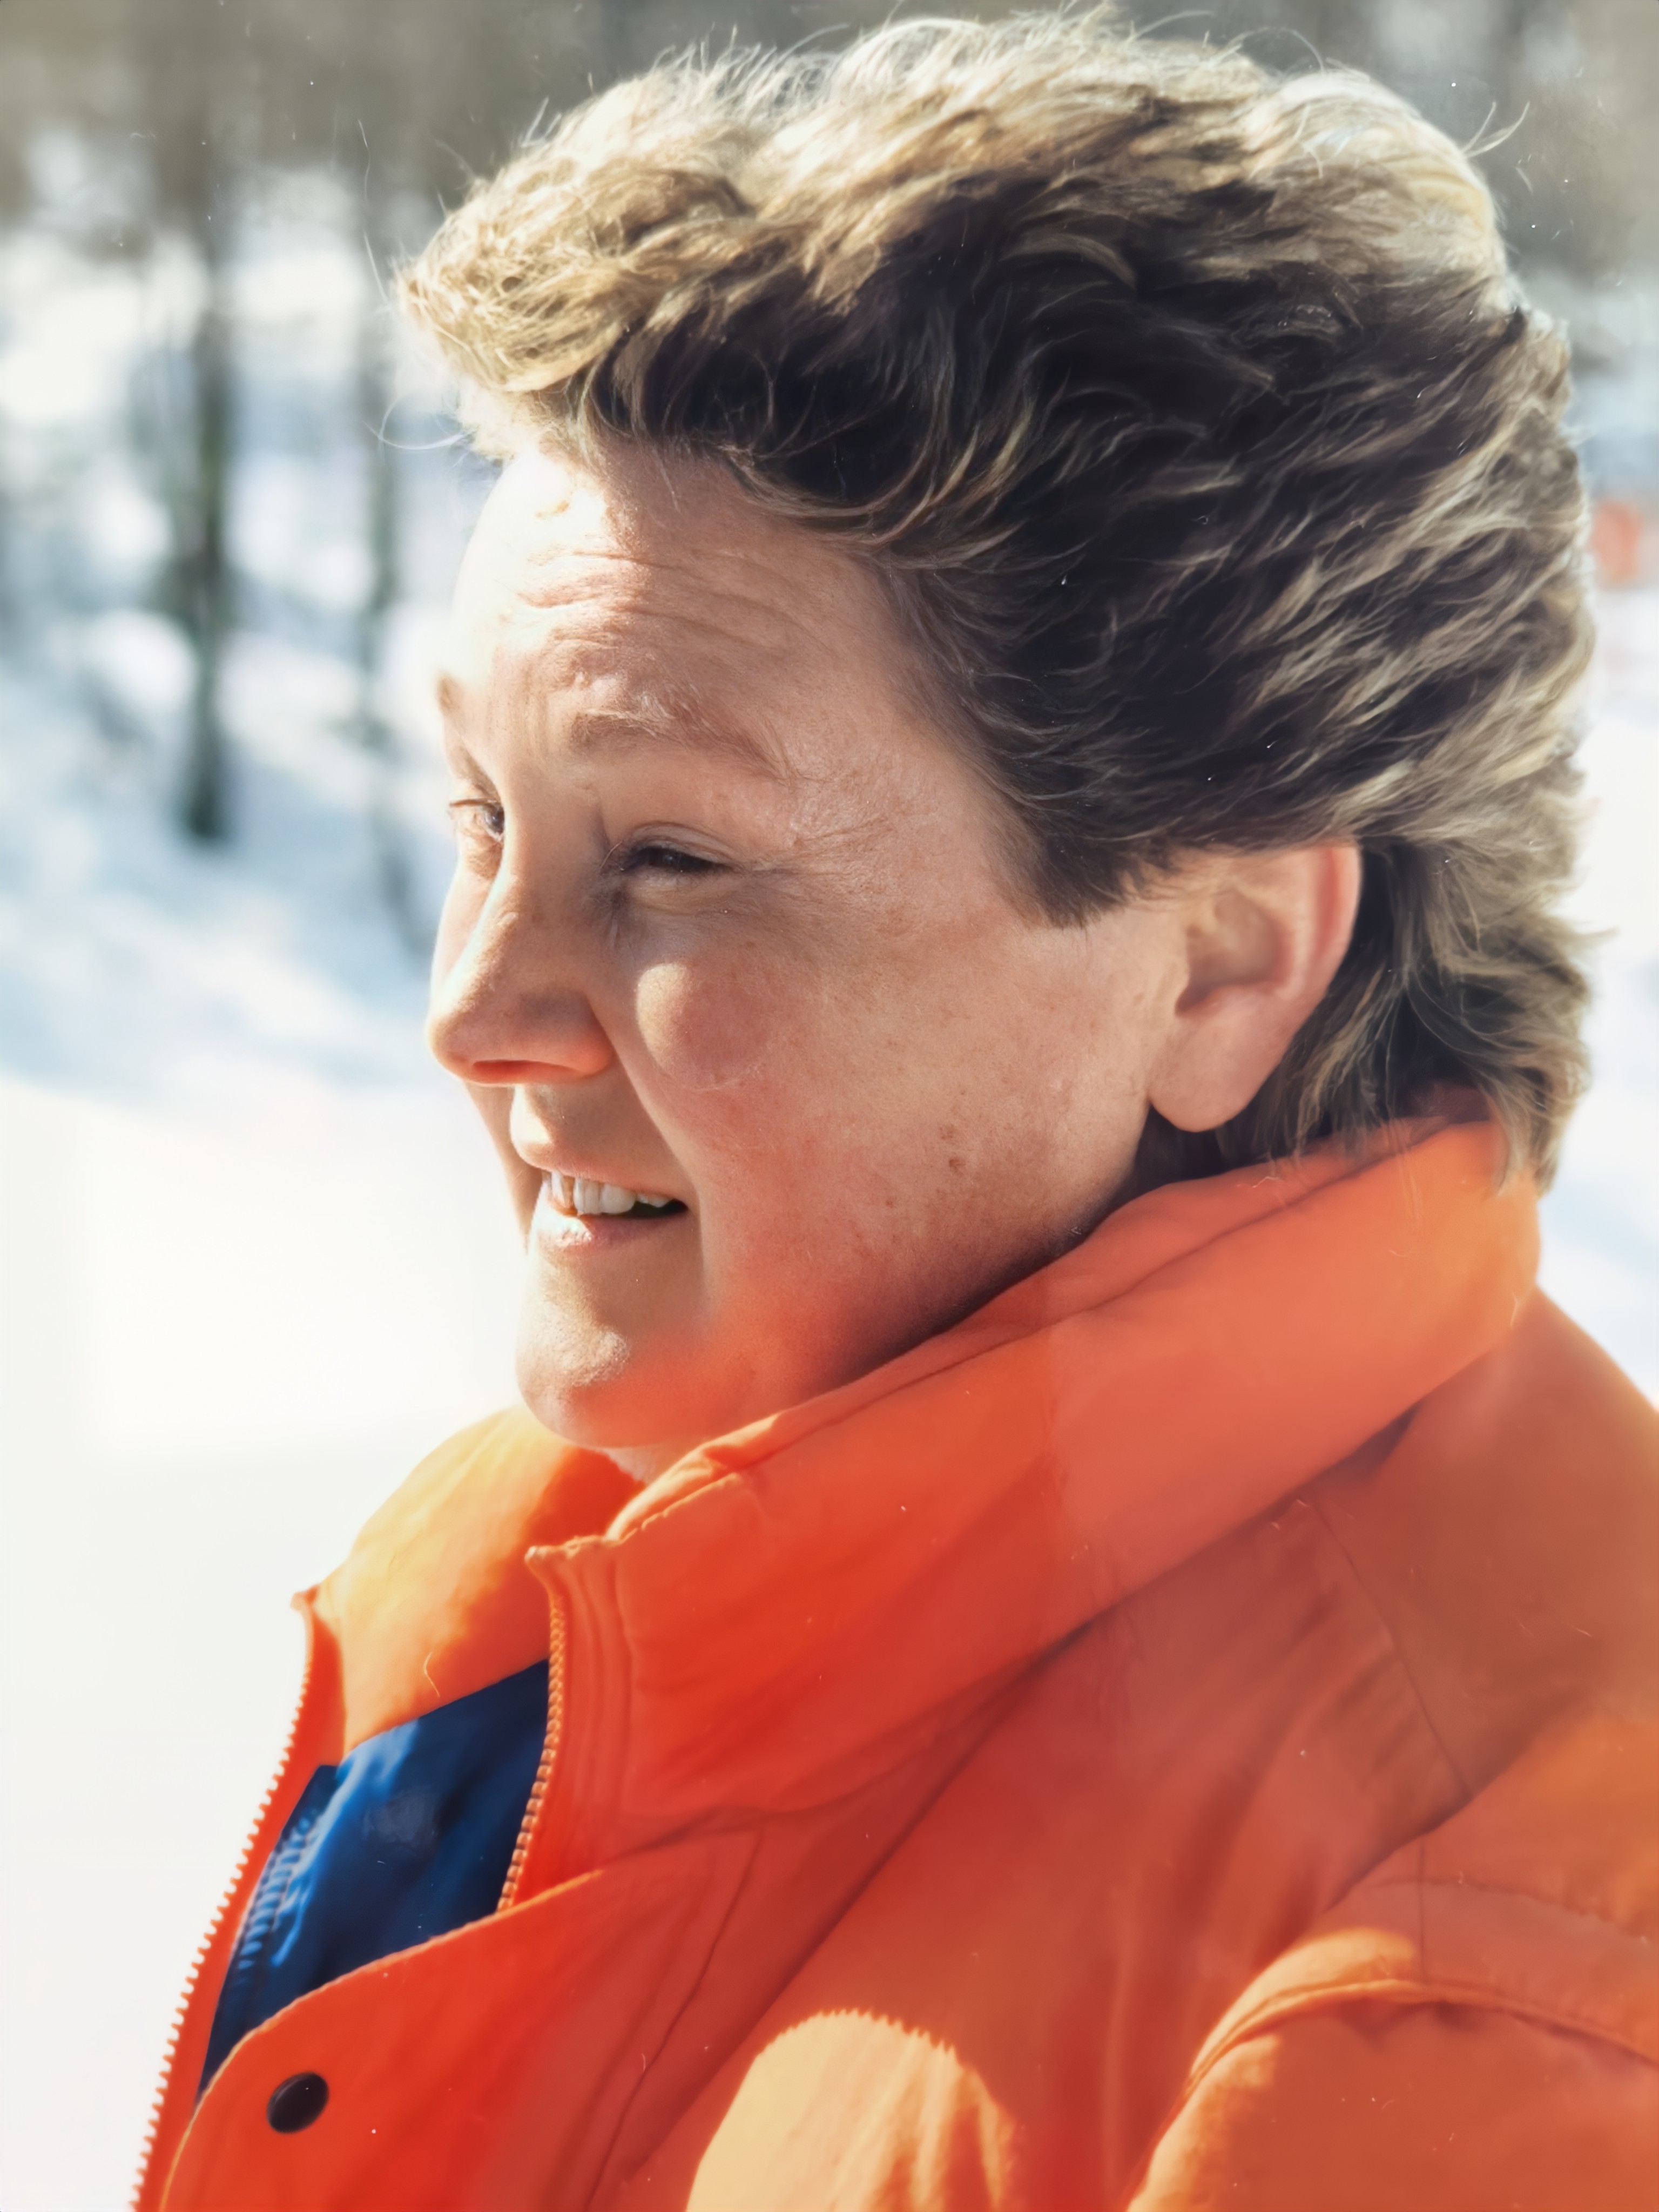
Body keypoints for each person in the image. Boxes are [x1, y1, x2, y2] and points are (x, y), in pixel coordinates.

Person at [136, 16, 1657, 2209]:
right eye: (482, 815)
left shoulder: (1484, 2017)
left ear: (1221, 965)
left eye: (671, 859)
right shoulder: (579, 1593)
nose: (475, 1011)